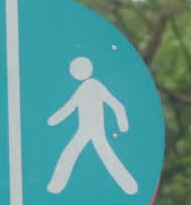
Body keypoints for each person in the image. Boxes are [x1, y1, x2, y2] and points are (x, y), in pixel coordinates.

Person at [46, 56, 138, 195]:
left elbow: (116, 104)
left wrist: (122, 124)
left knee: (102, 156)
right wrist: (53, 120)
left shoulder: (94, 85)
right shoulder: (84, 88)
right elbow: (70, 107)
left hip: (94, 130)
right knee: (74, 153)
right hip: (84, 130)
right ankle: (56, 185)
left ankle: (130, 186)